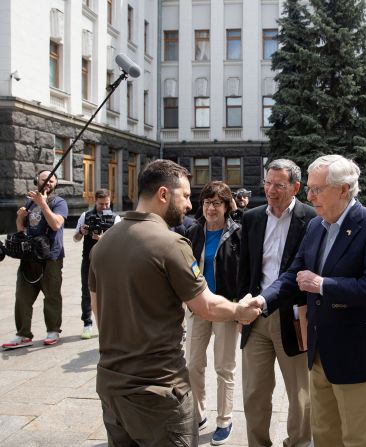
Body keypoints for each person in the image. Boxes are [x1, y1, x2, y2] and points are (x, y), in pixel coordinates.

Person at [88, 159, 263, 446]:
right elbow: (205, 305)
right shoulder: (171, 244)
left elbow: (98, 311)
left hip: (111, 386)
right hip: (158, 392)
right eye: (184, 195)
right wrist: (239, 310)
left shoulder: (104, 243)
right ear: (163, 194)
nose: (190, 206)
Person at [257, 154, 366, 447]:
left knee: (357, 440)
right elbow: (293, 273)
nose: (309, 196)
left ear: (344, 189)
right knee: (324, 437)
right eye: (309, 188)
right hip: (319, 353)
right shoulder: (316, 226)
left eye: (317, 189)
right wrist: (261, 301)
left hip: (359, 357)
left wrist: (323, 285)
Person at [237, 159, 316, 447]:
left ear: (295, 187)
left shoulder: (311, 219)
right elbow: (244, 268)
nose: (271, 190)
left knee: (301, 393)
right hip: (256, 317)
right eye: (267, 183)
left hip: (294, 317)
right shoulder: (253, 217)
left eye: (279, 185)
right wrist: (240, 308)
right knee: (254, 391)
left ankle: (298, 443)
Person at [184, 181, 241, 445]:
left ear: (227, 205)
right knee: (194, 364)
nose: (210, 208)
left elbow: (245, 272)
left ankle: (224, 419)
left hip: (226, 307)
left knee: (224, 367)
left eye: (216, 203)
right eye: (206, 202)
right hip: (197, 307)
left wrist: (240, 308)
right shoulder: (194, 231)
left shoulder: (237, 233)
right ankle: (198, 414)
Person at [2, 170, 68, 349]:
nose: (48, 183)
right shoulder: (29, 202)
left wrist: (43, 204)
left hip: (51, 257)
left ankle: (53, 330)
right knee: (22, 296)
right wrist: (20, 218)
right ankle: (23, 334)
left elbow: (55, 224)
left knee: (52, 295)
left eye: (51, 180)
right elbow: (21, 230)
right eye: (44, 179)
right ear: (36, 181)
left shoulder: (59, 202)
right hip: (29, 256)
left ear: (55, 184)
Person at [73, 188, 120, 339]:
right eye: (101, 204)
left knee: (110, 292)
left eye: (107, 204)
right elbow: (75, 238)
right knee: (86, 292)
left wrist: (103, 238)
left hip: (109, 262)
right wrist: (81, 232)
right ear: (95, 201)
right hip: (88, 260)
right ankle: (87, 323)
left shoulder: (115, 218)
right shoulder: (85, 216)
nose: (105, 207)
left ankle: (110, 323)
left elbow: (119, 242)